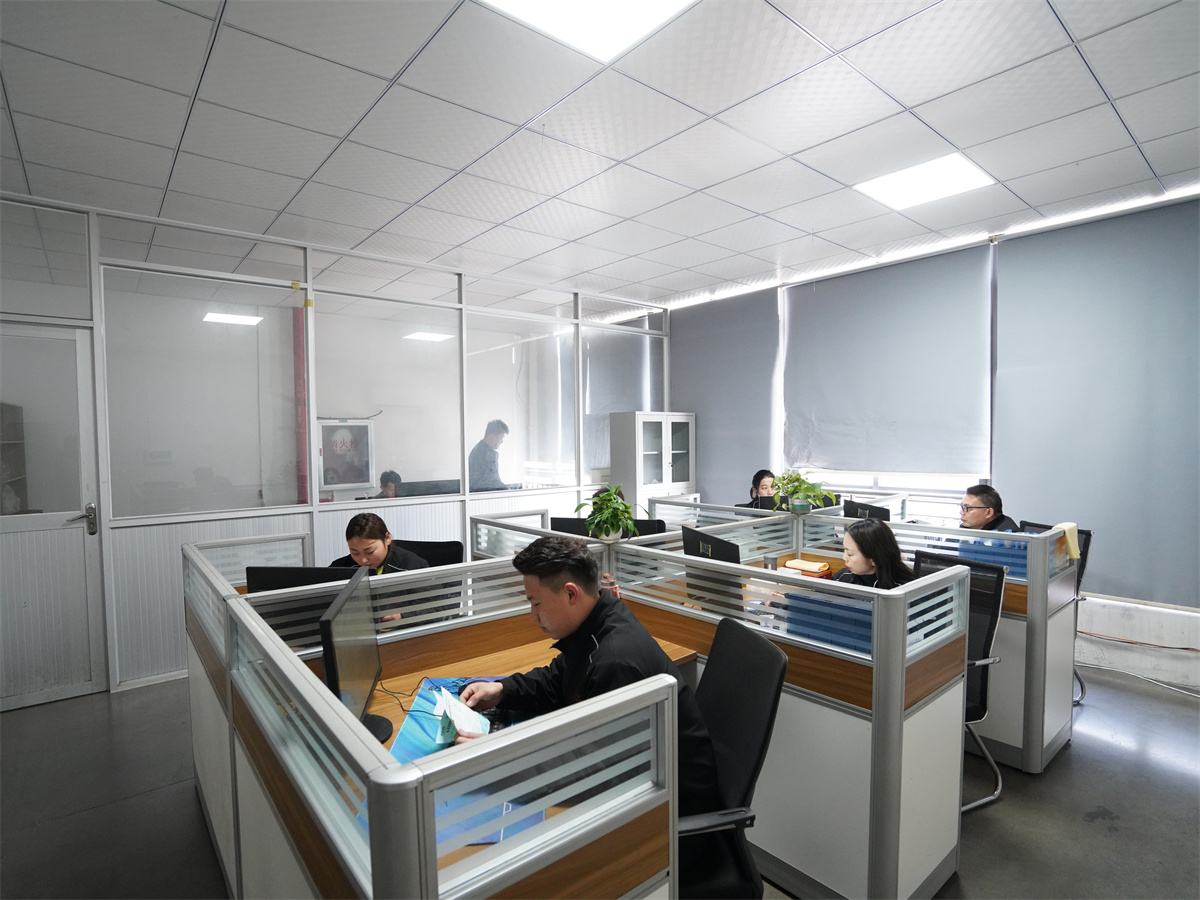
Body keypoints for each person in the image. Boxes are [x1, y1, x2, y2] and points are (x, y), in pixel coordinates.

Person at [457, 535, 720, 818]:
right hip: (639, 779)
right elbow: (558, 679)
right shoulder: (596, 622)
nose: (532, 616)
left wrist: (496, 763)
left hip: (671, 815)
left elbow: (593, 771)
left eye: (536, 603)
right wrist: (502, 690)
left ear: (571, 594)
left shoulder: (615, 662)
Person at [329, 512, 429, 574]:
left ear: (387, 538)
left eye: (370, 552)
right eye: (355, 553)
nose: (363, 560)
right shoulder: (340, 569)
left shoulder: (413, 567)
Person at [834, 517, 915, 588]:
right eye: (844, 550)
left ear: (874, 560)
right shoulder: (843, 577)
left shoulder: (899, 591)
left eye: (849, 554)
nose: (844, 558)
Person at [468, 419, 509, 491]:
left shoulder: (479, 450)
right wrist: (506, 490)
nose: (502, 441)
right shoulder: (483, 454)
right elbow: (490, 482)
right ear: (492, 436)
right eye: (501, 437)